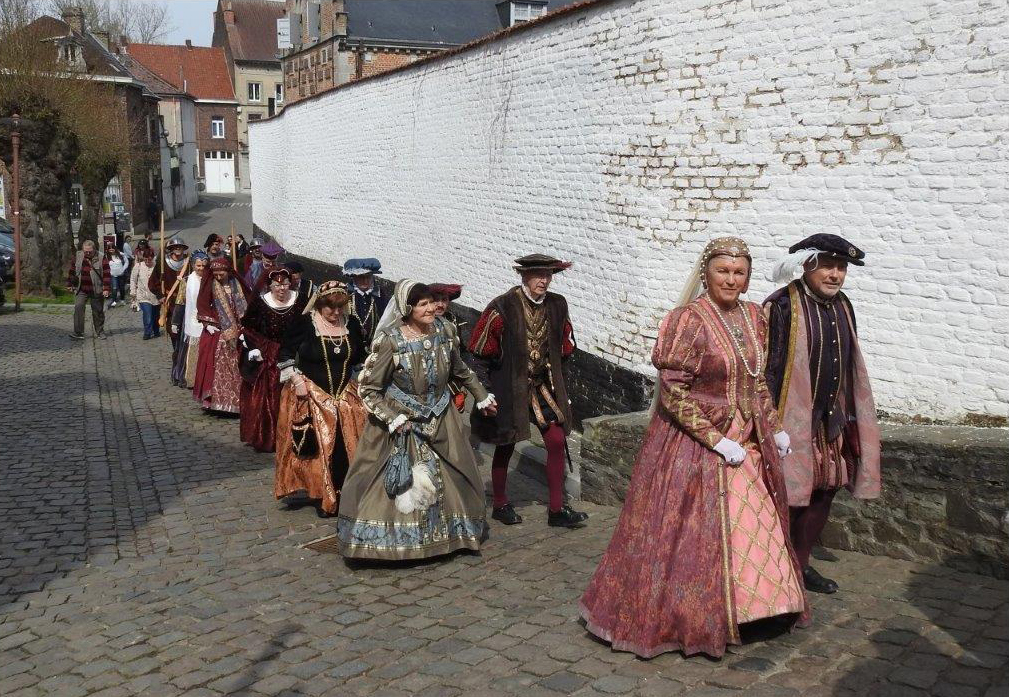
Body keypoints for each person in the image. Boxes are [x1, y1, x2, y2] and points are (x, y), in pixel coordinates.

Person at [579, 237, 806, 659]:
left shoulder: (754, 317)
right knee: (691, 535)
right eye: (723, 271)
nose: (731, 280)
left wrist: (774, 428)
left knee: (755, 521)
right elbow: (673, 391)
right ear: (706, 273)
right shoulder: (687, 320)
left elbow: (757, 381)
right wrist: (716, 439)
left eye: (739, 273)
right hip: (697, 443)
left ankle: (762, 608)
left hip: (748, 439)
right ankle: (697, 617)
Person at [337, 281, 498, 561]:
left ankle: (452, 536)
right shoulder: (391, 340)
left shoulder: (445, 331)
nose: (431, 308)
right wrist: (392, 417)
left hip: (442, 417)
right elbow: (369, 389)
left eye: (432, 302)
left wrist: (481, 395)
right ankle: (399, 544)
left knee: (455, 473)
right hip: (403, 422)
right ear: (407, 308)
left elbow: (460, 369)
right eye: (423, 304)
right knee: (397, 481)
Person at [764, 234, 881, 594]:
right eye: (828, 266)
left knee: (824, 491)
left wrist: (849, 416)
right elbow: (766, 370)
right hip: (790, 422)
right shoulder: (782, 305)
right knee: (787, 495)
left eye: (841, 267)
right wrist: (769, 424)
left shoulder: (843, 305)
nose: (835, 274)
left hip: (830, 422)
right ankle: (774, 571)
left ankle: (800, 565)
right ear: (807, 265)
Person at [469, 254, 588, 528]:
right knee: (506, 443)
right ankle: (500, 504)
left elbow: (564, 348)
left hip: (542, 384)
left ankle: (556, 510)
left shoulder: (557, 305)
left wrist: (562, 385)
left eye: (548, 275)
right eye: (538, 275)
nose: (544, 280)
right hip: (509, 385)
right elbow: (479, 352)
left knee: (556, 440)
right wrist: (485, 393)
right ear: (524, 276)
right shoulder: (502, 307)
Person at [274, 281, 369, 515]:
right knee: (318, 447)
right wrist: (298, 381)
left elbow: (360, 358)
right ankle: (322, 495)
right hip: (312, 394)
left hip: (345, 396)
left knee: (346, 445)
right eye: (330, 308)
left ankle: (346, 494)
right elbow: (285, 355)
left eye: (340, 307)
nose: (336, 313)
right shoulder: (306, 324)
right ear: (319, 305)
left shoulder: (351, 324)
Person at [239, 268, 309, 452]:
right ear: (270, 286)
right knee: (270, 393)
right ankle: (272, 437)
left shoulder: (300, 300)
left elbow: (310, 322)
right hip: (270, 353)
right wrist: (255, 347)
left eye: (285, 284)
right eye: (277, 285)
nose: (281, 288)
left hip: (297, 352)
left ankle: (296, 434)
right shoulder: (261, 303)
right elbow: (248, 327)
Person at [192, 257, 250, 413]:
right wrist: (208, 323)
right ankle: (219, 402)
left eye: (221, 273)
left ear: (228, 271)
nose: (218, 276)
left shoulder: (237, 284)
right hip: (220, 329)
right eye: (216, 273)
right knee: (220, 366)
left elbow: (248, 300)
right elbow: (202, 304)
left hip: (239, 328)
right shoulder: (211, 285)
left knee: (239, 366)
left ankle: (239, 401)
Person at [150, 237, 190, 382]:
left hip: (187, 305)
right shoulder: (163, 264)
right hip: (171, 306)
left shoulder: (189, 263)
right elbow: (152, 283)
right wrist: (160, 296)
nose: (178, 249)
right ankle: (177, 371)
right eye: (175, 247)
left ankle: (185, 371)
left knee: (186, 340)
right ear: (171, 249)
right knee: (175, 339)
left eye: (180, 247)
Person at [430, 283, 467, 412]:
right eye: (436, 300)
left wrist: (457, 388)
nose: (440, 304)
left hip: (450, 383)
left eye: (444, 300)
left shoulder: (455, 321)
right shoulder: (420, 322)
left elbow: (460, 356)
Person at [67, 239, 111, 340]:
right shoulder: (78, 256)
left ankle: (100, 331)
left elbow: (107, 274)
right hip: (81, 288)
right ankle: (78, 332)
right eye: (85, 251)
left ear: (94, 249)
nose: (87, 253)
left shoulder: (101, 257)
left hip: (97, 288)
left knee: (98, 311)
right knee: (78, 307)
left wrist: (106, 288)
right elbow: (72, 271)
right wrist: (69, 284)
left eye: (89, 251)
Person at [180, 252, 210, 389]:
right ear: (193, 265)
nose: (201, 268)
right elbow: (180, 301)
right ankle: (192, 379)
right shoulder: (187, 281)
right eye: (198, 265)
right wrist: (175, 321)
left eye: (203, 265)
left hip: (208, 319)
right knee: (194, 350)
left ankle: (205, 379)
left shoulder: (210, 279)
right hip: (192, 319)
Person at [343, 258, 388, 347]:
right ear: (354, 276)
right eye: (361, 277)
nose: (365, 281)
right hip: (349, 344)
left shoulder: (380, 294)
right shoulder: (344, 293)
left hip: (373, 344)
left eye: (368, 277)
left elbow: (385, 319)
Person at [130, 248, 160, 340]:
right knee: (148, 314)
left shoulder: (157, 266)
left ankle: (156, 330)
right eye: (145, 259)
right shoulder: (138, 266)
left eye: (149, 259)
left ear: (153, 258)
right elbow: (133, 279)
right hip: (143, 296)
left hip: (155, 296)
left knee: (155, 315)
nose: (147, 261)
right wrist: (133, 292)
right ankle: (147, 332)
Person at [106, 245, 128, 309]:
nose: (111, 250)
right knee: (114, 288)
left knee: (121, 288)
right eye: (109, 249)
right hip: (113, 275)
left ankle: (122, 299)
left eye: (112, 248)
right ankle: (114, 301)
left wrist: (123, 269)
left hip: (121, 274)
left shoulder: (121, 254)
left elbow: (126, 262)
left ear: (115, 248)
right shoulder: (107, 256)